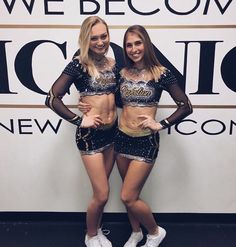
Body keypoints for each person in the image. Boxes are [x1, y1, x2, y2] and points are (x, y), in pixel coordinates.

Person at [114, 25, 193, 247]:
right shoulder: (121, 73)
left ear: (146, 44)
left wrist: (161, 123)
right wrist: (86, 103)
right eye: (129, 45)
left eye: (138, 43)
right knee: (127, 194)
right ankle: (136, 232)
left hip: (145, 141)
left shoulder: (161, 73)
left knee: (128, 196)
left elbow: (185, 106)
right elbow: (103, 95)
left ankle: (155, 232)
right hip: (122, 138)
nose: (133, 48)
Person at [45, 16, 120, 247]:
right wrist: (79, 119)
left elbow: (116, 97)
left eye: (103, 36)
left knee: (103, 189)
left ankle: (97, 229)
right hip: (91, 137)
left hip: (112, 133)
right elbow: (51, 98)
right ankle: (90, 235)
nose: (100, 42)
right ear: (86, 39)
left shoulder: (112, 63)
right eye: (94, 37)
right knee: (102, 194)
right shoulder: (78, 64)